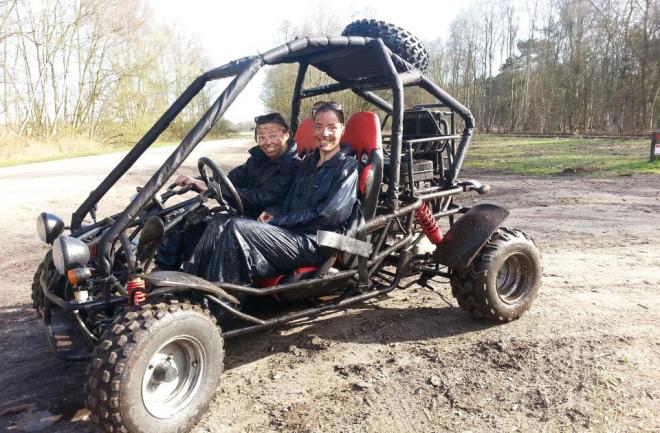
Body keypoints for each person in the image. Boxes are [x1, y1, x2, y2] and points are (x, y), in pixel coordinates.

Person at [187, 102, 359, 285]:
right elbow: (288, 197)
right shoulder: (308, 162)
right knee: (219, 222)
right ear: (313, 130)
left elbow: (328, 217)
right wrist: (274, 210)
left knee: (237, 228)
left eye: (332, 128)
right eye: (318, 127)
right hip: (291, 233)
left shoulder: (347, 167)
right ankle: (193, 285)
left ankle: (216, 307)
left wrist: (278, 220)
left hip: (316, 241)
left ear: (343, 130)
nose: (324, 134)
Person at [156, 112, 300, 270]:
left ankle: (195, 278)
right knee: (189, 218)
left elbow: (262, 198)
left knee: (216, 225)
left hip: (266, 225)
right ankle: (164, 269)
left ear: (286, 134)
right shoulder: (257, 159)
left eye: (272, 136)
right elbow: (230, 179)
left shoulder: (294, 166)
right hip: (243, 216)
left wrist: (216, 189)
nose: (266, 142)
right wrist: (197, 181)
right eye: (261, 137)